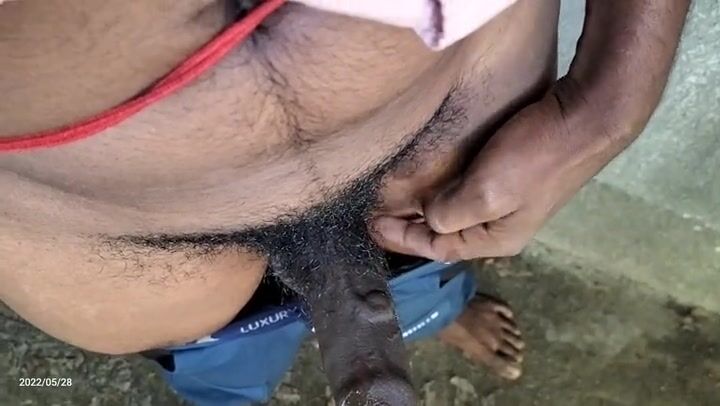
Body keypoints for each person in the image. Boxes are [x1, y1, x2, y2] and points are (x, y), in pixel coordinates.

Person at [0, 0, 690, 405]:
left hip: (436, 117)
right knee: (222, 363)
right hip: (102, 211)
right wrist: (613, 99)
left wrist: (615, 94)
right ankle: (421, 315)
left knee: (434, 245)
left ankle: (435, 315)